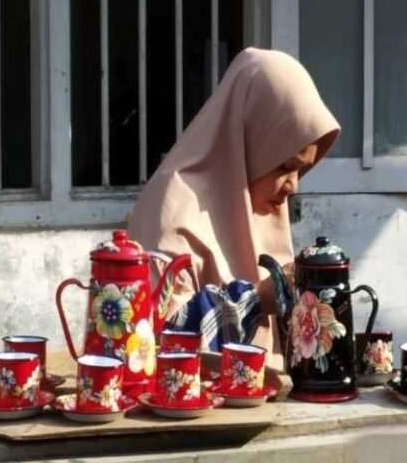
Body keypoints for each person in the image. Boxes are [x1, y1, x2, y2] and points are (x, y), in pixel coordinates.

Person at [128, 47, 340, 367]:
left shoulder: (255, 201)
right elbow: (158, 348)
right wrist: (259, 299)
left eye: (301, 171)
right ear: (251, 141)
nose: (294, 186)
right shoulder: (173, 210)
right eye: (284, 166)